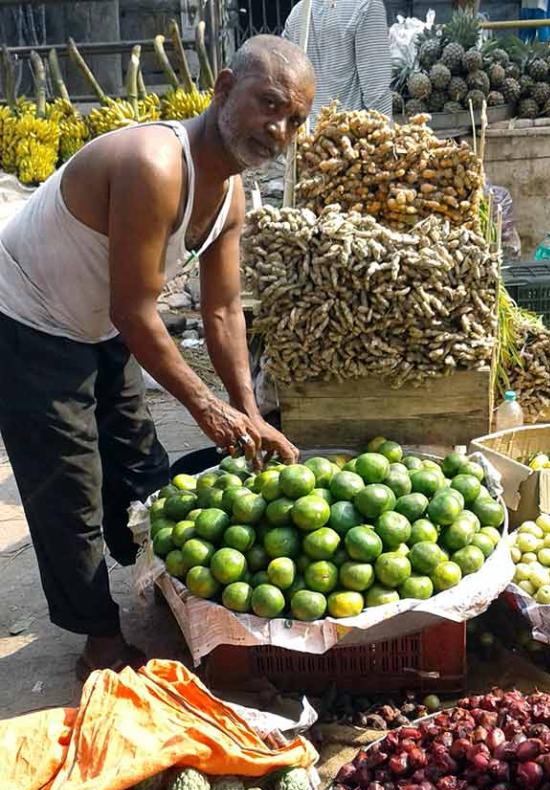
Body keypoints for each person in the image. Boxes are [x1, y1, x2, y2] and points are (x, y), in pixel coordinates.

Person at [0, 35, 315, 678]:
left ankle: (155, 577)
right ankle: (98, 639)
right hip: (26, 319)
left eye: (296, 119)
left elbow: (223, 310)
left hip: (98, 317)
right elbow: (135, 312)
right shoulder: (155, 162)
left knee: (139, 459)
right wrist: (206, 405)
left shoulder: (229, 195)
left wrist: (248, 411)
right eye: (270, 105)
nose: (279, 130)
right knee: (71, 489)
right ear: (224, 89)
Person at [283, 0, 392, 128]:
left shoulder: (297, 12)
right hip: (349, 136)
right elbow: (376, 90)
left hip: (309, 138)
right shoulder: (366, 5)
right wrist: (389, 138)